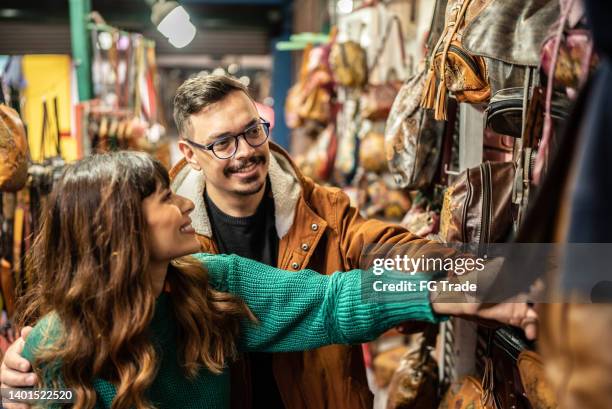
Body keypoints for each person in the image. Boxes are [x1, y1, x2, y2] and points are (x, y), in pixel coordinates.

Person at [1, 75, 538, 409]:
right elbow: (46, 394)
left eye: (252, 130)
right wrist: (21, 391)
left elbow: (338, 297)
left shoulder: (210, 284)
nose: (247, 151)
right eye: (223, 142)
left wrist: (462, 281)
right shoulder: (61, 338)